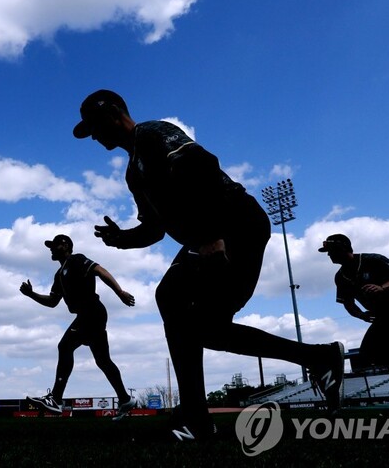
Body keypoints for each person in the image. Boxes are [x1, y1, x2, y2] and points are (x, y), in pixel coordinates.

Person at [72, 89, 345, 440]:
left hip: (235, 223)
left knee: (180, 306)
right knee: (193, 317)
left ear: (111, 114)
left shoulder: (152, 133)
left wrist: (214, 234)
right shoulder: (133, 173)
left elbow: (200, 163)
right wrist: (122, 238)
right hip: (208, 237)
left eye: (93, 127)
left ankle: (197, 419)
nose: (93, 136)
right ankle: (317, 359)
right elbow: (154, 229)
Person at [20, 234, 137, 420]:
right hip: (87, 315)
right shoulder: (59, 275)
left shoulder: (76, 260)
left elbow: (100, 270)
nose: (51, 249)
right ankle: (125, 399)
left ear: (65, 245)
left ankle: (56, 399)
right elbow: (52, 302)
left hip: (92, 312)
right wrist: (31, 294)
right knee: (103, 361)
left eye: (54, 245)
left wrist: (120, 292)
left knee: (65, 346)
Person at [318, 234, 389, 416]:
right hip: (384, 317)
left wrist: (383, 287)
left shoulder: (371, 259)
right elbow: (348, 304)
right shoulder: (340, 277)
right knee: (369, 353)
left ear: (343, 248)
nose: (328, 256)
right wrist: (362, 316)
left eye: (330, 251)